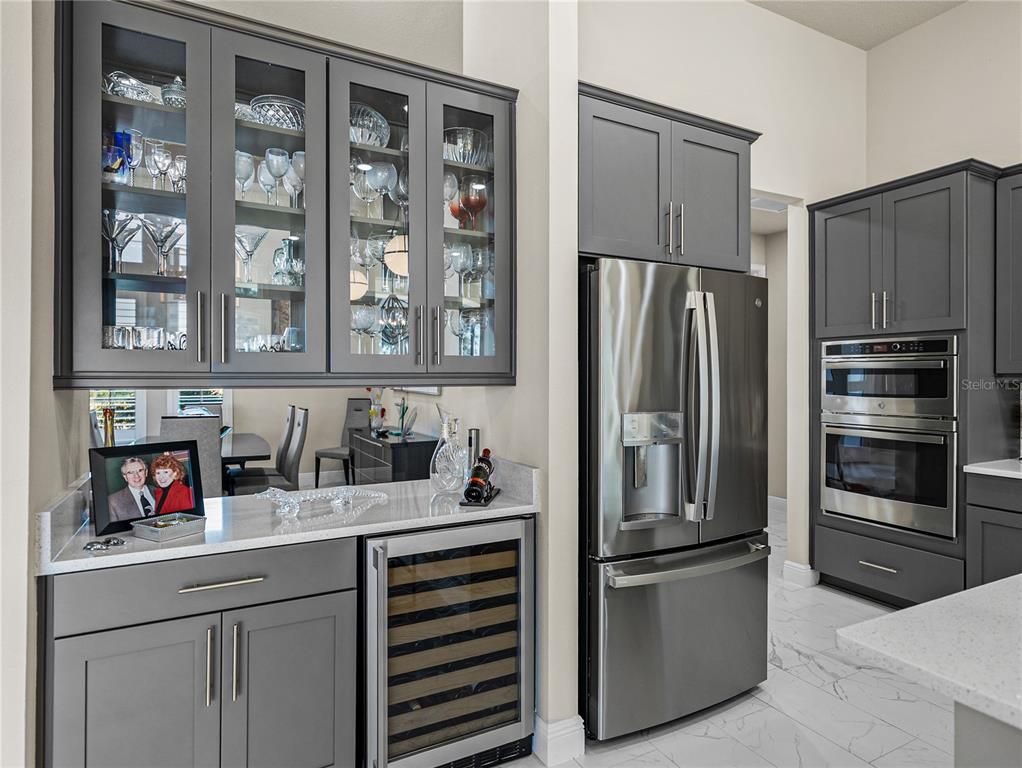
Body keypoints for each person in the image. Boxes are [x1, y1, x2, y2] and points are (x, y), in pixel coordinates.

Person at [107, 457, 157, 522]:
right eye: (130, 472)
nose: (136, 476)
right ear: (125, 477)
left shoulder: (158, 491)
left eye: (140, 470)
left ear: (146, 472)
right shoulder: (113, 501)